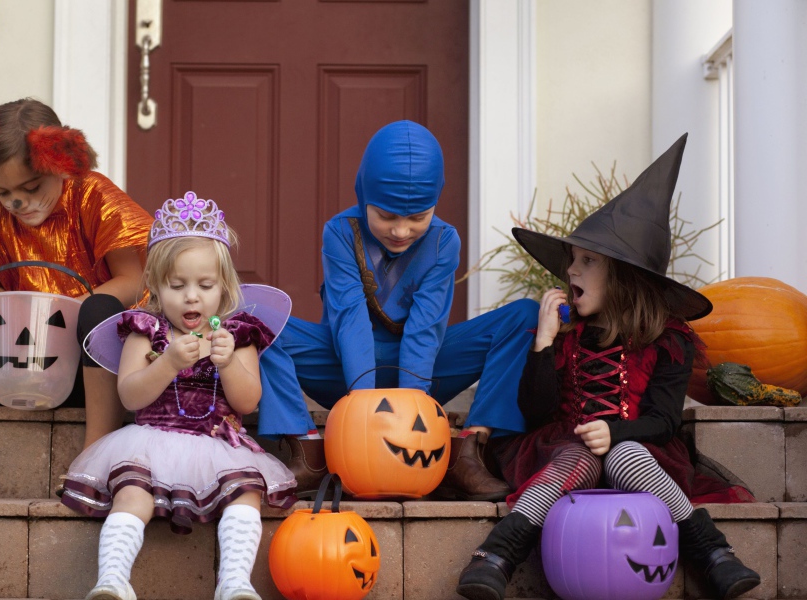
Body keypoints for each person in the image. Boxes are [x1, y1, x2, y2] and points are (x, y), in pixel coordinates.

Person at [456, 134, 760, 600]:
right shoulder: (566, 335)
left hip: (640, 450)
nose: (571, 272)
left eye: (588, 261)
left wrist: (616, 433)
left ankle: (714, 553)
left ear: (624, 276)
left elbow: (662, 421)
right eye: (572, 261)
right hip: (565, 447)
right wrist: (542, 345)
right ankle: (495, 556)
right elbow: (536, 413)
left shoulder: (668, 341)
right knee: (579, 455)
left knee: (624, 455)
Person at [257, 120, 538, 499]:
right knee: (257, 321)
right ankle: (308, 452)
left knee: (522, 317)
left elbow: (426, 329)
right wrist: (362, 412)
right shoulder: (340, 233)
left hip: (425, 372)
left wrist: (410, 416)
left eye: (417, 218)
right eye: (387, 216)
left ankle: (467, 453)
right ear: (364, 196)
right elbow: (350, 318)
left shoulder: (444, 241)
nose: (401, 231)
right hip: (343, 369)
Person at [0, 89, 152, 499]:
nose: (18, 201)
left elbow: (134, 278)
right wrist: (7, 306)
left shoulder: (92, 195)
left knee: (101, 309)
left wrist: (70, 312)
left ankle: (95, 456)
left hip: (87, 369)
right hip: (13, 363)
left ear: (63, 163)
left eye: (32, 187)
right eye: (3, 192)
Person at [60, 193, 297, 600]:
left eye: (205, 286)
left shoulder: (235, 336)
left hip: (218, 445)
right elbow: (131, 396)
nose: (192, 296)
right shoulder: (147, 331)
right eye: (177, 285)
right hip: (149, 443)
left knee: (245, 494)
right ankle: (112, 581)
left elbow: (248, 402)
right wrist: (165, 363)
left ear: (223, 289)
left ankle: (235, 583)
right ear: (154, 285)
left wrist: (229, 364)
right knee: (131, 494)